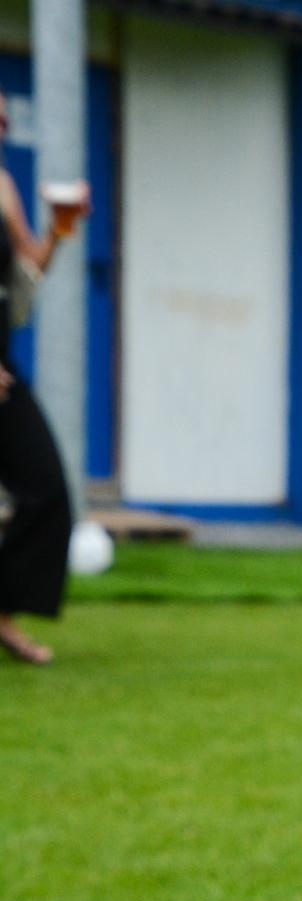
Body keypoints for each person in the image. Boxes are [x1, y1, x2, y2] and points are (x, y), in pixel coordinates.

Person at [0, 86, 85, 666]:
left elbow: (26, 272)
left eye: (4, 116)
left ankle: (2, 614)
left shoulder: (2, 185)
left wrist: (59, 230)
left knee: (47, 492)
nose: (3, 122)